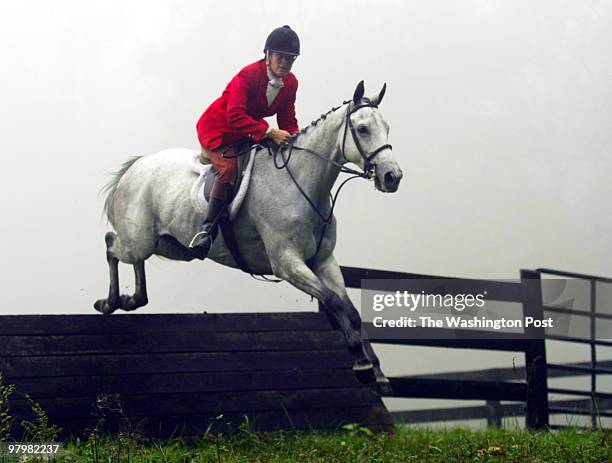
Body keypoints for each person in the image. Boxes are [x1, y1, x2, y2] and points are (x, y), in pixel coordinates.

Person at [189, 25, 301, 260]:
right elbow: (235, 116)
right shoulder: (248, 75)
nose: (285, 63)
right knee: (228, 170)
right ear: (267, 55)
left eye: (290, 59)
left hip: (246, 132)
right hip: (218, 129)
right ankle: (207, 232)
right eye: (280, 57)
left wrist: (295, 141)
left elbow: (288, 119)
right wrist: (270, 132)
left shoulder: (290, 83)